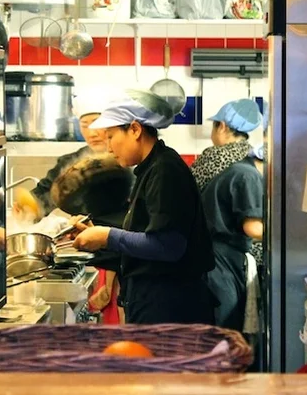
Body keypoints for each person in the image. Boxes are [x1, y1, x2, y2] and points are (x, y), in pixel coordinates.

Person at [68, 89, 216, 325]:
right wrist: (96, 238)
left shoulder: (165, 170)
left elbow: (168, 246)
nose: (108, 148)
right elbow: (143, 244)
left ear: (135, 130)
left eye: (111, 137)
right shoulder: (151, 167)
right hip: (155, 301)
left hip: (170, 308)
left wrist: (107, 236)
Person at [193, 99, 265, 331]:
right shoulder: (246, 170)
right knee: (225, 329)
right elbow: (252, 227)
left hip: (215, 254)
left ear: (222, 126)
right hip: (223, 257)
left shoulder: (213, 159)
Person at [51, 153, 134, 324]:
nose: (109, 147)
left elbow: (131, 254)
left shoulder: (117, 221)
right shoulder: (124, 207)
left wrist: (95, 241)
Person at [12, 94, 111, 221]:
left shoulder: (128, 160)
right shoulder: (72, 162)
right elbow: (47, 191)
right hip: (80, 229)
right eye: (84, 125)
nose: (92, 133)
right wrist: (28, 209)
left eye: (97, 123)